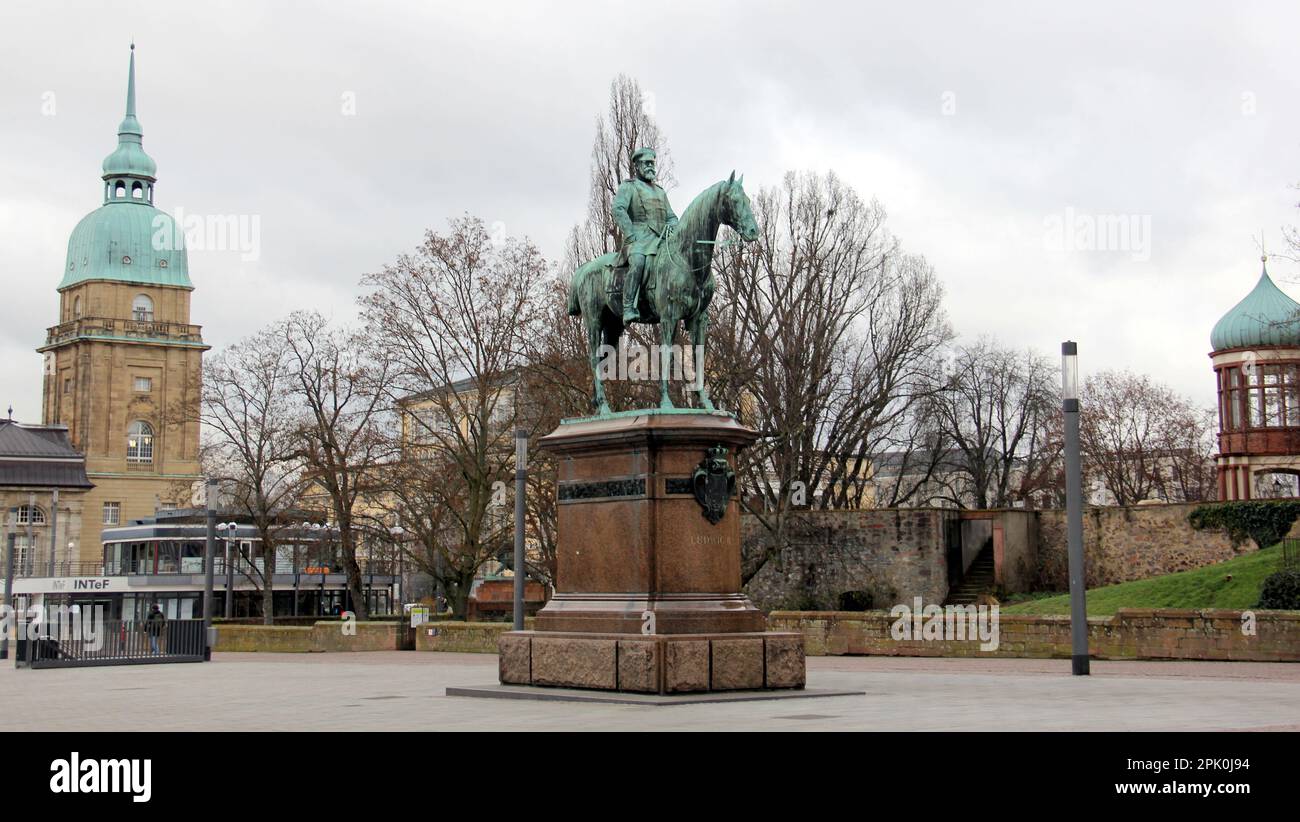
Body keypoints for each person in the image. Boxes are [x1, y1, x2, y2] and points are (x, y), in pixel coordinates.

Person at [612, 147, 678, 325]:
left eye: (652, 163)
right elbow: (618, 209)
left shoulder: (660, 191)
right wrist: (630, 234)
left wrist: (673, 227)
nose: (650, 166)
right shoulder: (629, 187)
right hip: (640, 237)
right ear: (637, 166)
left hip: (662, 239)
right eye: (646, 163)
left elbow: (671, 216)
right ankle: (628, 307)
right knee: (639, 261)